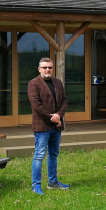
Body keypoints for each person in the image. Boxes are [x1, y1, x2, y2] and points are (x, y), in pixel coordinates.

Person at [27, 57, 70, 195]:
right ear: (39, 69)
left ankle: (53, 182)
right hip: (42, 126)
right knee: (39, 155)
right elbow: (37, 106)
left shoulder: (57, 82)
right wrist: (54, 118)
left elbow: (64, 100)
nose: (47, 70)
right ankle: (36, 185)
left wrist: (59, 115)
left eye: (49, 67)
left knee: (53, 155)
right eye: (44, 67)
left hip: (56, 126)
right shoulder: (33, 84)